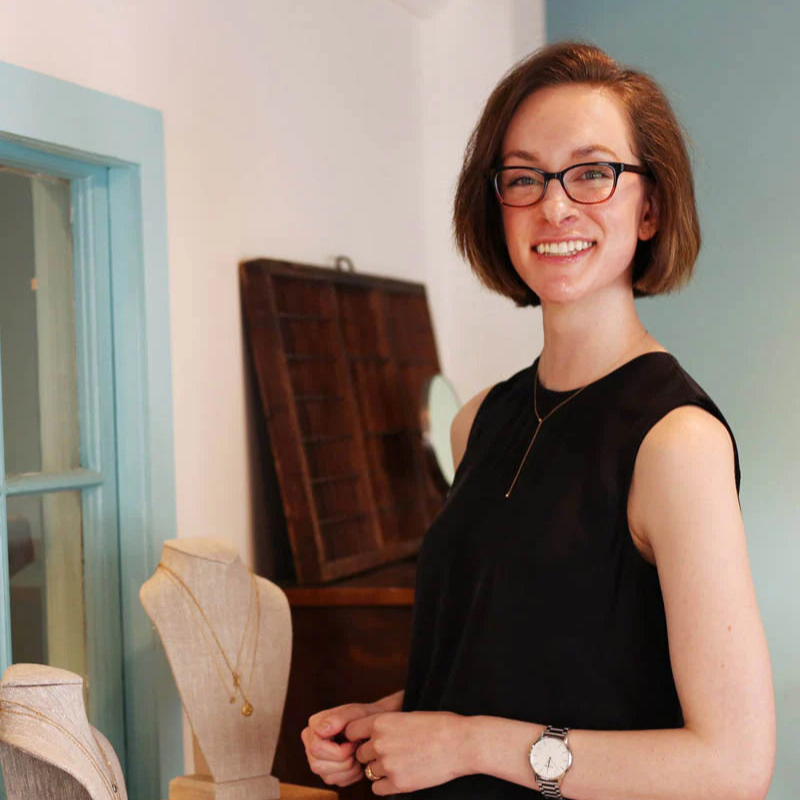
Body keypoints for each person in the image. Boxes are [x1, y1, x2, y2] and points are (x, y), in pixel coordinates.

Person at [301, 42, 775, 799]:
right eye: (523, 178)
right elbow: (524, 673)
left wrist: (466, 743)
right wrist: (392, 728)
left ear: (649, 206)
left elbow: (733, 768)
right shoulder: (478, 421)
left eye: (592, 173)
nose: (555, 206)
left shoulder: (677, 441)